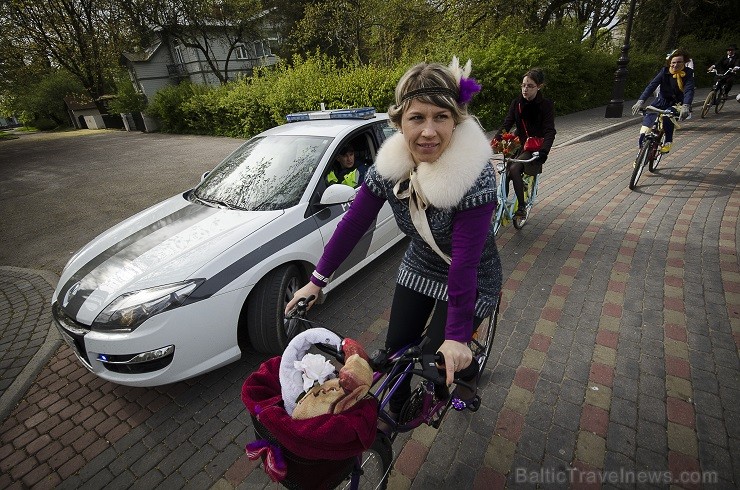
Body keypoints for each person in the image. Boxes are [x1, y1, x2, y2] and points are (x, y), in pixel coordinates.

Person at [285, 57, 502, 427]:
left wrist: (455, 338)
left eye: (441, 117)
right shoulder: (389, 168)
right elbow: (354, 222)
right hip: (420, 263)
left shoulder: (474, 176)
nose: (429, 131)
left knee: (441, 359)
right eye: (417, 118)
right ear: (399, 122)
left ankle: (465, 380)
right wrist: (316, 280)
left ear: (457, 120)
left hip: (471, 275)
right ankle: (397, 409)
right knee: (393, 350)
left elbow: (464, 262)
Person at [492, 68, 556, 225]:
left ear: (539, 86)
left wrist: (544, 152)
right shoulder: (517, 104)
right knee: (505, 171)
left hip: (534, 147)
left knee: (514, 168)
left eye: (530, 86)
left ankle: (521, 207)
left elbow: (550, 131)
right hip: (519, 144)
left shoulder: (545, 105)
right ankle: (499, 204)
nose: (525, 89)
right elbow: (507, 124)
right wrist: (494, 141)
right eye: (523, 85)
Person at [631, 49, 695, 155]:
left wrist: (686, 105)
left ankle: (668, 142)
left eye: (679, 62)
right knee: (645, 129)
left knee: (667, 116)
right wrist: (640, 101)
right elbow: (652, 86)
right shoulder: (664, 71)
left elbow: (689, 90)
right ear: (670, 63)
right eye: (673, 62)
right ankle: (641, 153)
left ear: (684, 63)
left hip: (677, 103)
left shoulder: (688, 73)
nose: (675, 65)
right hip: (661, 101)